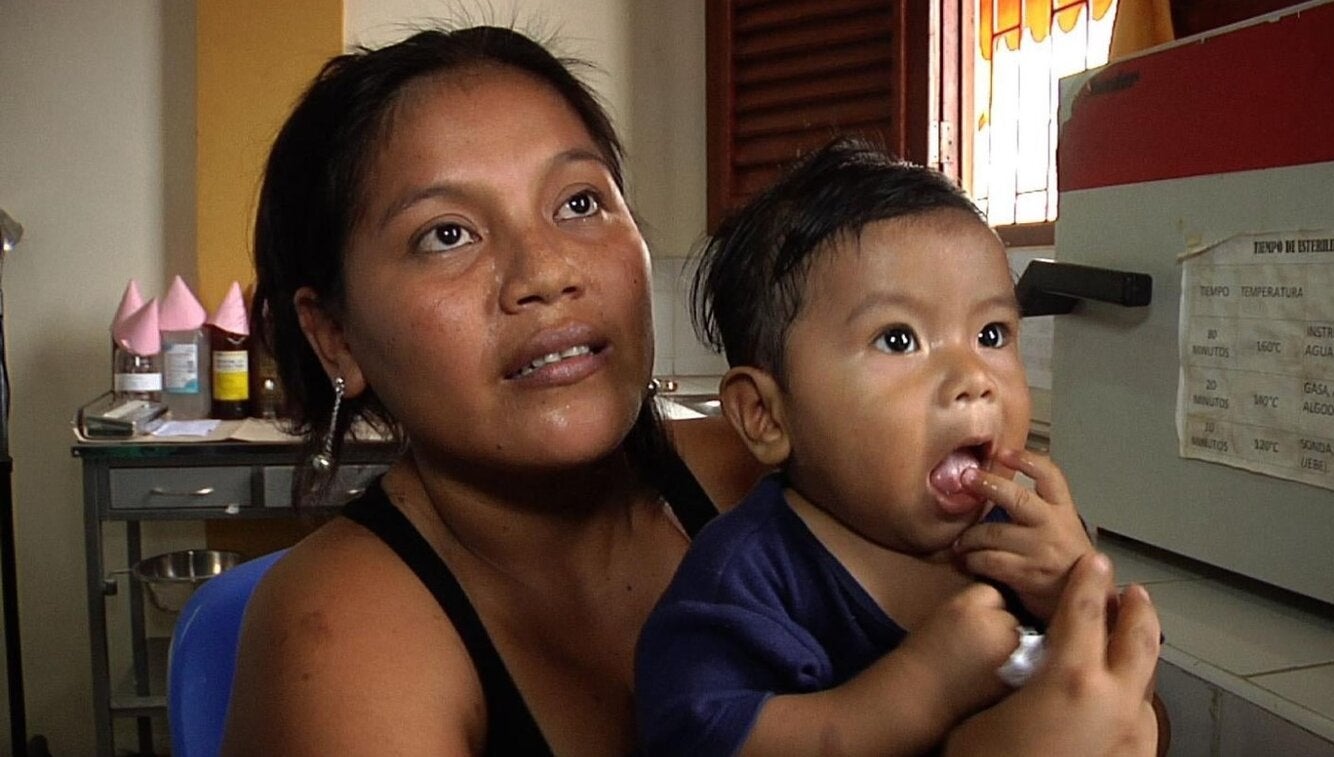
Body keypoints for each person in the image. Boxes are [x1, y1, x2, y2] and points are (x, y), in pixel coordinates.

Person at [221, 24, 1161, 756]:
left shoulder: (798, 476)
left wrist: (1076, 609)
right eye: (446, 234)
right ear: (335, 335)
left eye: (581, 202)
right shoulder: (337, 637)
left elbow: (1100, 703)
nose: (545, 270)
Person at [634, 139, 1099, 755]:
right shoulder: (746, 582)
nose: (973, 378)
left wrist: (1074, 597)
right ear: (766, 415)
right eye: (899, 340)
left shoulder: (1024, 544)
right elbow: (696, 740)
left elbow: (1134, 711)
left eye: (991, 333)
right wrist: (923, 689)